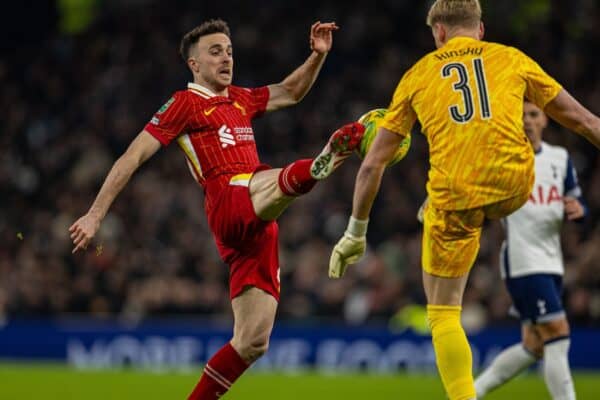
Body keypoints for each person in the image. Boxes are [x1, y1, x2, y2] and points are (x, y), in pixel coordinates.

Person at [69, 19, 364, 400]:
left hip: (257, 225)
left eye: (228, 50)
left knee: (252, 341)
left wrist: (317, 56)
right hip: (228, 197)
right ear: (194, 64)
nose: (226, 57)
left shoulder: (239, 98)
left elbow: (290, 92)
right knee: (261, 178)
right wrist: (95, 214)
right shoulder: (183, 104)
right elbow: (132, 156)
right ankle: (316, 165)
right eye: (215, 51)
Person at [328, 1, 600, 399]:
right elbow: (585, 121)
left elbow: (371, 165)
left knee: (442, 313)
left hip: (456, 197)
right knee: (491, 172)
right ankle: (436, 202)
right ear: (481, 29)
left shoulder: (418, 74)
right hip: (515, 182)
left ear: (438, 32)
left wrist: (355, 232)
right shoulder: (511, 58)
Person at [474, 100, 586, 400]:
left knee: (534, 345)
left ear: (545, 120)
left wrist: (577, 208)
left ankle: (469, 394)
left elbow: (575, 199)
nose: (527, 120)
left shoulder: (560, 159)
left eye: (533, 114)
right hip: (523, 260)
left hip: (551, 261)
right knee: (558, 333)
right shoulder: (505, 159)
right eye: (521, 115)